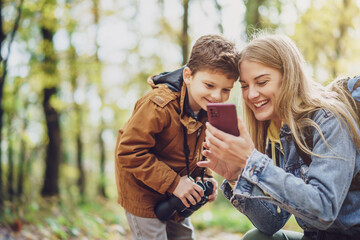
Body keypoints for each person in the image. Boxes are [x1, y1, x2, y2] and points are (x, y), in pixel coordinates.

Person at [198, 33, 360, 240]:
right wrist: (235, 175)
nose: (251, 95)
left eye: (262, 82)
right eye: (245, 86)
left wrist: (252, 161)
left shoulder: (329, 120)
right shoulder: (276, 132)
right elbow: (271, 222)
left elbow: (324, 210)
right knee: (255, 238)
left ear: (290, 77)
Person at [115, 34, 240, 240]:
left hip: (177, 192)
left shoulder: (207, 108)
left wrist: (205, 176)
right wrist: (175, 183)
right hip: (143, 191)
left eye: (226, 89)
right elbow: (129, 152)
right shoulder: (157, 105)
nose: (217, 96)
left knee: (184, 236)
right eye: (209, 85)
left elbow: (198, 147)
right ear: (188, 75)